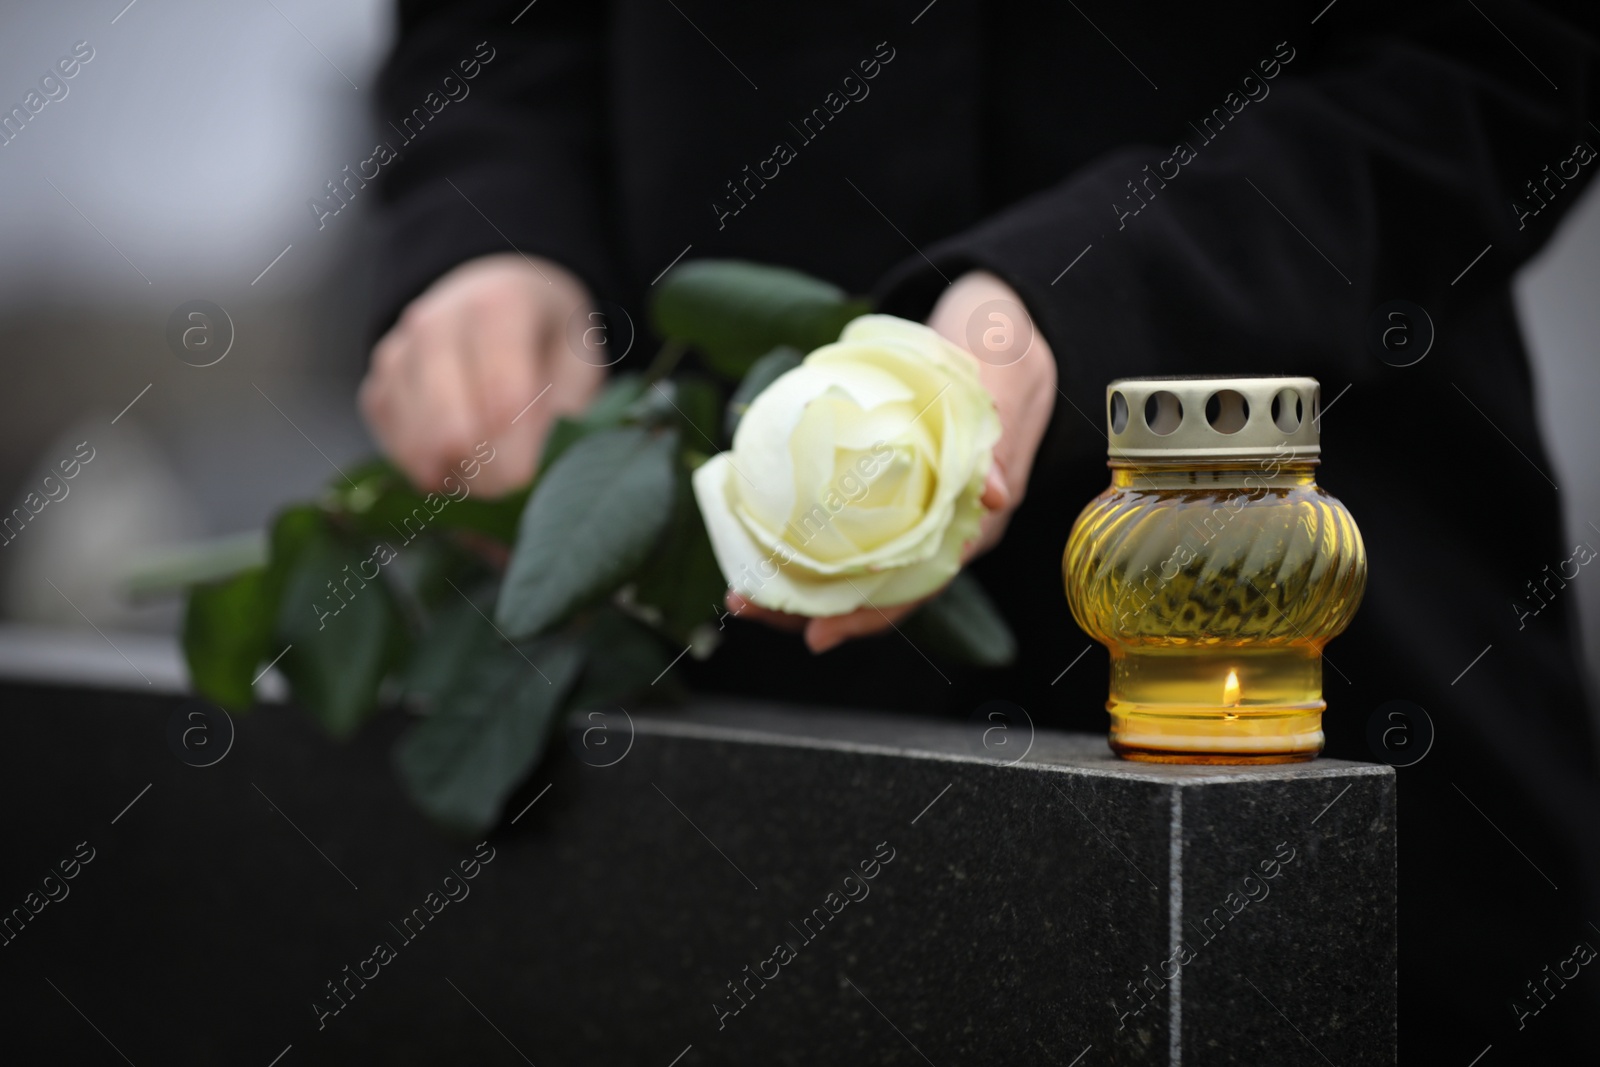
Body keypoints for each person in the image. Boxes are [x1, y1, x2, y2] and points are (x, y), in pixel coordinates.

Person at [362, 0, 1600, 1057]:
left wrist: (1094, 293)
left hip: (1321, 631)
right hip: (707, 709)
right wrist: (489, 237)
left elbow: (1507, 49)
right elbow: (487, 33)